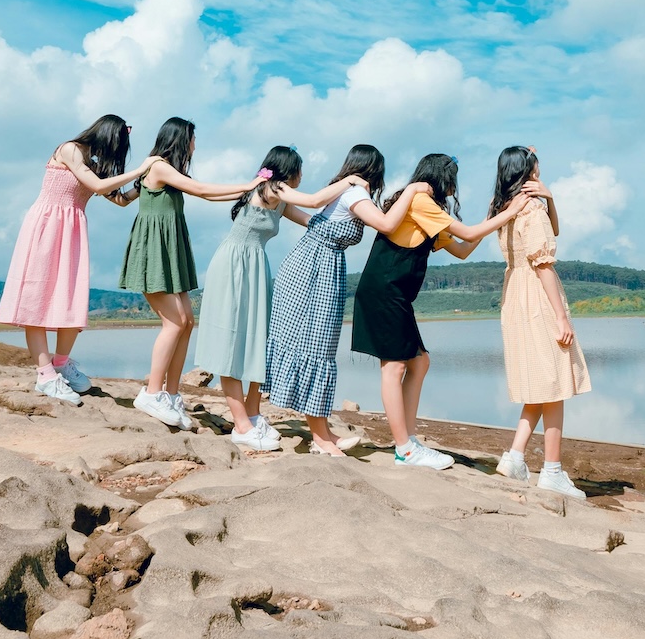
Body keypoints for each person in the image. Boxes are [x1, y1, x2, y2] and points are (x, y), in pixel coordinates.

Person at [352, 153, 529, 471]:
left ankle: (406, 439)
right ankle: (405, 449)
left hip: (395, 293)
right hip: (384, 290)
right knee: (393, 368)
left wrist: (493, 213)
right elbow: (469, 234)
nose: (455, 185)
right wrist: (511, 210)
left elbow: (462, 249)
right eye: (453, 178)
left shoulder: (427, 210)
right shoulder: (420, 201)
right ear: (442, 177)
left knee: (419, 362)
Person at [195, 145, 371, 452]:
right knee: (233, 347)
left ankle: (252, 413)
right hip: (234, 266)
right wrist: (351, 181)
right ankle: (241, 425)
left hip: (255, 267)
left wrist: (348, 227)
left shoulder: (278, 200)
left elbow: (314, 222)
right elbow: (315, 201)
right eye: (299, 170)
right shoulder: (275, 189)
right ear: (287, 172)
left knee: (256, 345)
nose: (302, 175)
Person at [265, 144, 431, 457]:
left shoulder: (345, 191)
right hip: (315, 270)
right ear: (374, 171)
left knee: (317, 348)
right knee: (314, 347)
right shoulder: (355, 194)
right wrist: (410, 191)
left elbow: (317, 218)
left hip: (316, 266)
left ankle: (322, 431)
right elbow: (386, 224)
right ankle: (321, 438)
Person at [0, 115, 155, 404]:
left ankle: (60, 365)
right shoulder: (70, 150)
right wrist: (140, 168)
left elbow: (119, 199)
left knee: (71, 298)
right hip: (47, 225)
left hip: (72, 231)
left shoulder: (92, 164)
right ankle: (45, 375)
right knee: (38, 298)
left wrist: (144, 182)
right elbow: (98, 186)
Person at [119, 117, 259, 429]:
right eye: (193, 138)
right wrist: (247, 186)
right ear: (181, 139)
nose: (195, 144)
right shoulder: (158, 165)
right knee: (175, 321)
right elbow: (201, 190)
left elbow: (123, 198)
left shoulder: (162, 170)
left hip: (170, 249)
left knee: (187, 321)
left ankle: (170, 393)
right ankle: (152, 393)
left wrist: (246, 193)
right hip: (154, 250)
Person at [491, 146, 591, 500]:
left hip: (515, 294)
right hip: (537, 295)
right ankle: (551, 470)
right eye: (537, 165)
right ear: (528, 170)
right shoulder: (530, 208)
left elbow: (556, 231)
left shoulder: (506, 206)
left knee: (539, 379)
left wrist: (551, 197)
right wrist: (562, 317)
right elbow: (544, 263)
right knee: (554, 384)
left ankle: (516, 456)